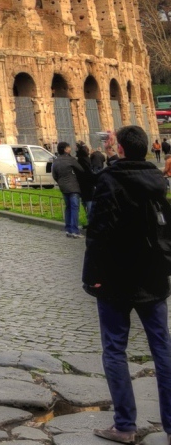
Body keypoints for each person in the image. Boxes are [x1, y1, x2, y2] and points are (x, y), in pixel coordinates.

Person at [83, 124, 171, 445]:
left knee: (115, 351)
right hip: (153, 279)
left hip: (115, 280)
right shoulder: (156, 178)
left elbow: (99, 233)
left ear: (119, 148)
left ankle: (124, 425)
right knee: (162, 350)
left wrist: (90, 277)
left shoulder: (110, 179)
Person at [52, 141, 85, 237]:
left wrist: (60, 182)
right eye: (69, 147)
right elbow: (81, 170)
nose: (70, 149)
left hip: (63, 187)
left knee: (68, 207)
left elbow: (54, 175)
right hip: (73, 186)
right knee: (74, 208)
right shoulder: (70, 159)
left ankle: (68, 229)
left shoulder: (56, 160)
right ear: (65, 149)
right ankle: (75, 230)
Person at [76, 142, 96, 222]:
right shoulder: (85, 158)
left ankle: (90, 221)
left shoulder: (81, 159)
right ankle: (90, 220)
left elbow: (87, 172)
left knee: (87, 203)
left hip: (84, 184)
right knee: (87, 202)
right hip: (87, 185)